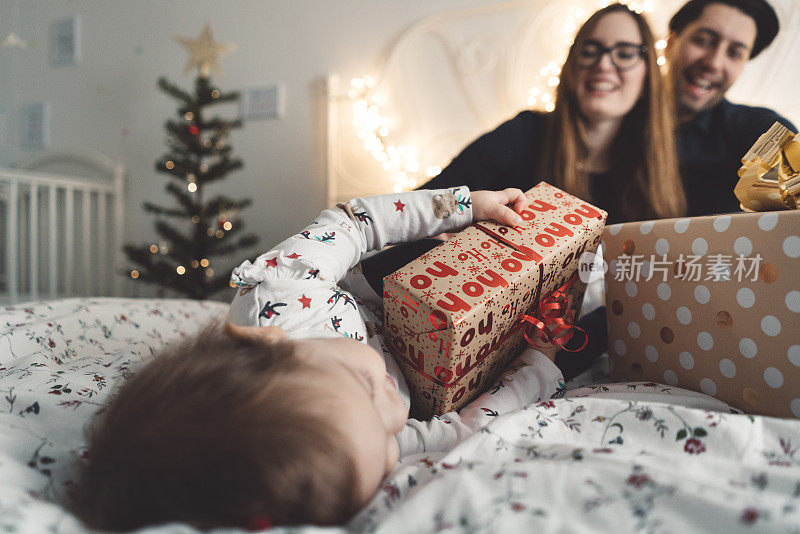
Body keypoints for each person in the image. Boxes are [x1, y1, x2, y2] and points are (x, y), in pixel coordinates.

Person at [74, 187, 568, 530]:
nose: (395, 414)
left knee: (469, 232)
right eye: (389, 449)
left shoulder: (281, 294)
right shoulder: (362, 447)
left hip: (377, 285)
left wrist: (462, 206)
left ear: (269, 344)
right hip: (435, 350)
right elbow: (465, 427)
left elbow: (354, 224)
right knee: (574, 335)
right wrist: (539, 362)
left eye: (362, 384)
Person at [362, 3, 676, 380]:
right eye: (590, 50)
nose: (603, 64)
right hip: (466, 311)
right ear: (572, 64)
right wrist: (460, 219)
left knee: (617, 317)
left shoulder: (652, 176)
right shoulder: (525, 134)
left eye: (625, 52)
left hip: (557, 344)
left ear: (648, 73)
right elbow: (427, 202)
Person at [665, 0, 796, 215]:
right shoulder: (616, 119)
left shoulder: (760, 129)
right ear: (671, 43)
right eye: (703, 41)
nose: (714, 63)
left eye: (734, 53)